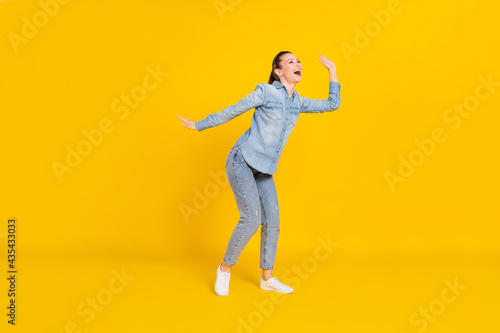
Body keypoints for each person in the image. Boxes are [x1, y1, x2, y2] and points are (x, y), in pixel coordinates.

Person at [177, 51, 341, 296]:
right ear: (278, 71)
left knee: (272, 222)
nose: (298, 64)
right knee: (252, 218)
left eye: (298, 61)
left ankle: (267, 278)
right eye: (291, 62)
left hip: (264, 169)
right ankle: (224, 269)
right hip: (242, 160)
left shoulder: (298, 101)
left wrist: (332, 71)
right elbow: (234, 109)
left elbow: (332, 104)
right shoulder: (266, 92)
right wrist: (200, 124)